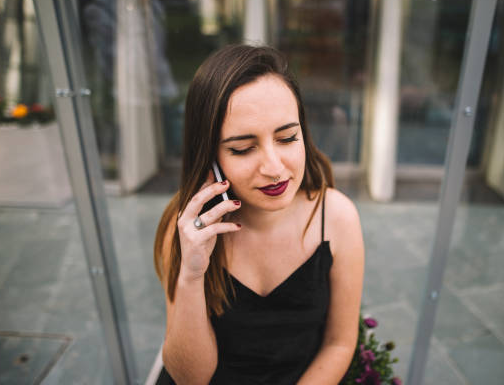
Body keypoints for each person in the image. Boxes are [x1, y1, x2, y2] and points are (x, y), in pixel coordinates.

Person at [153, 44, 364, 384]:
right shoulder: (189, 229)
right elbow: (191, 377)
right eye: (242, 148)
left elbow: (339, 344)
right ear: (209, 155)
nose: (274, 168)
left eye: (287, 138)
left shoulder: (337, 217)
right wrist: (192, 276)